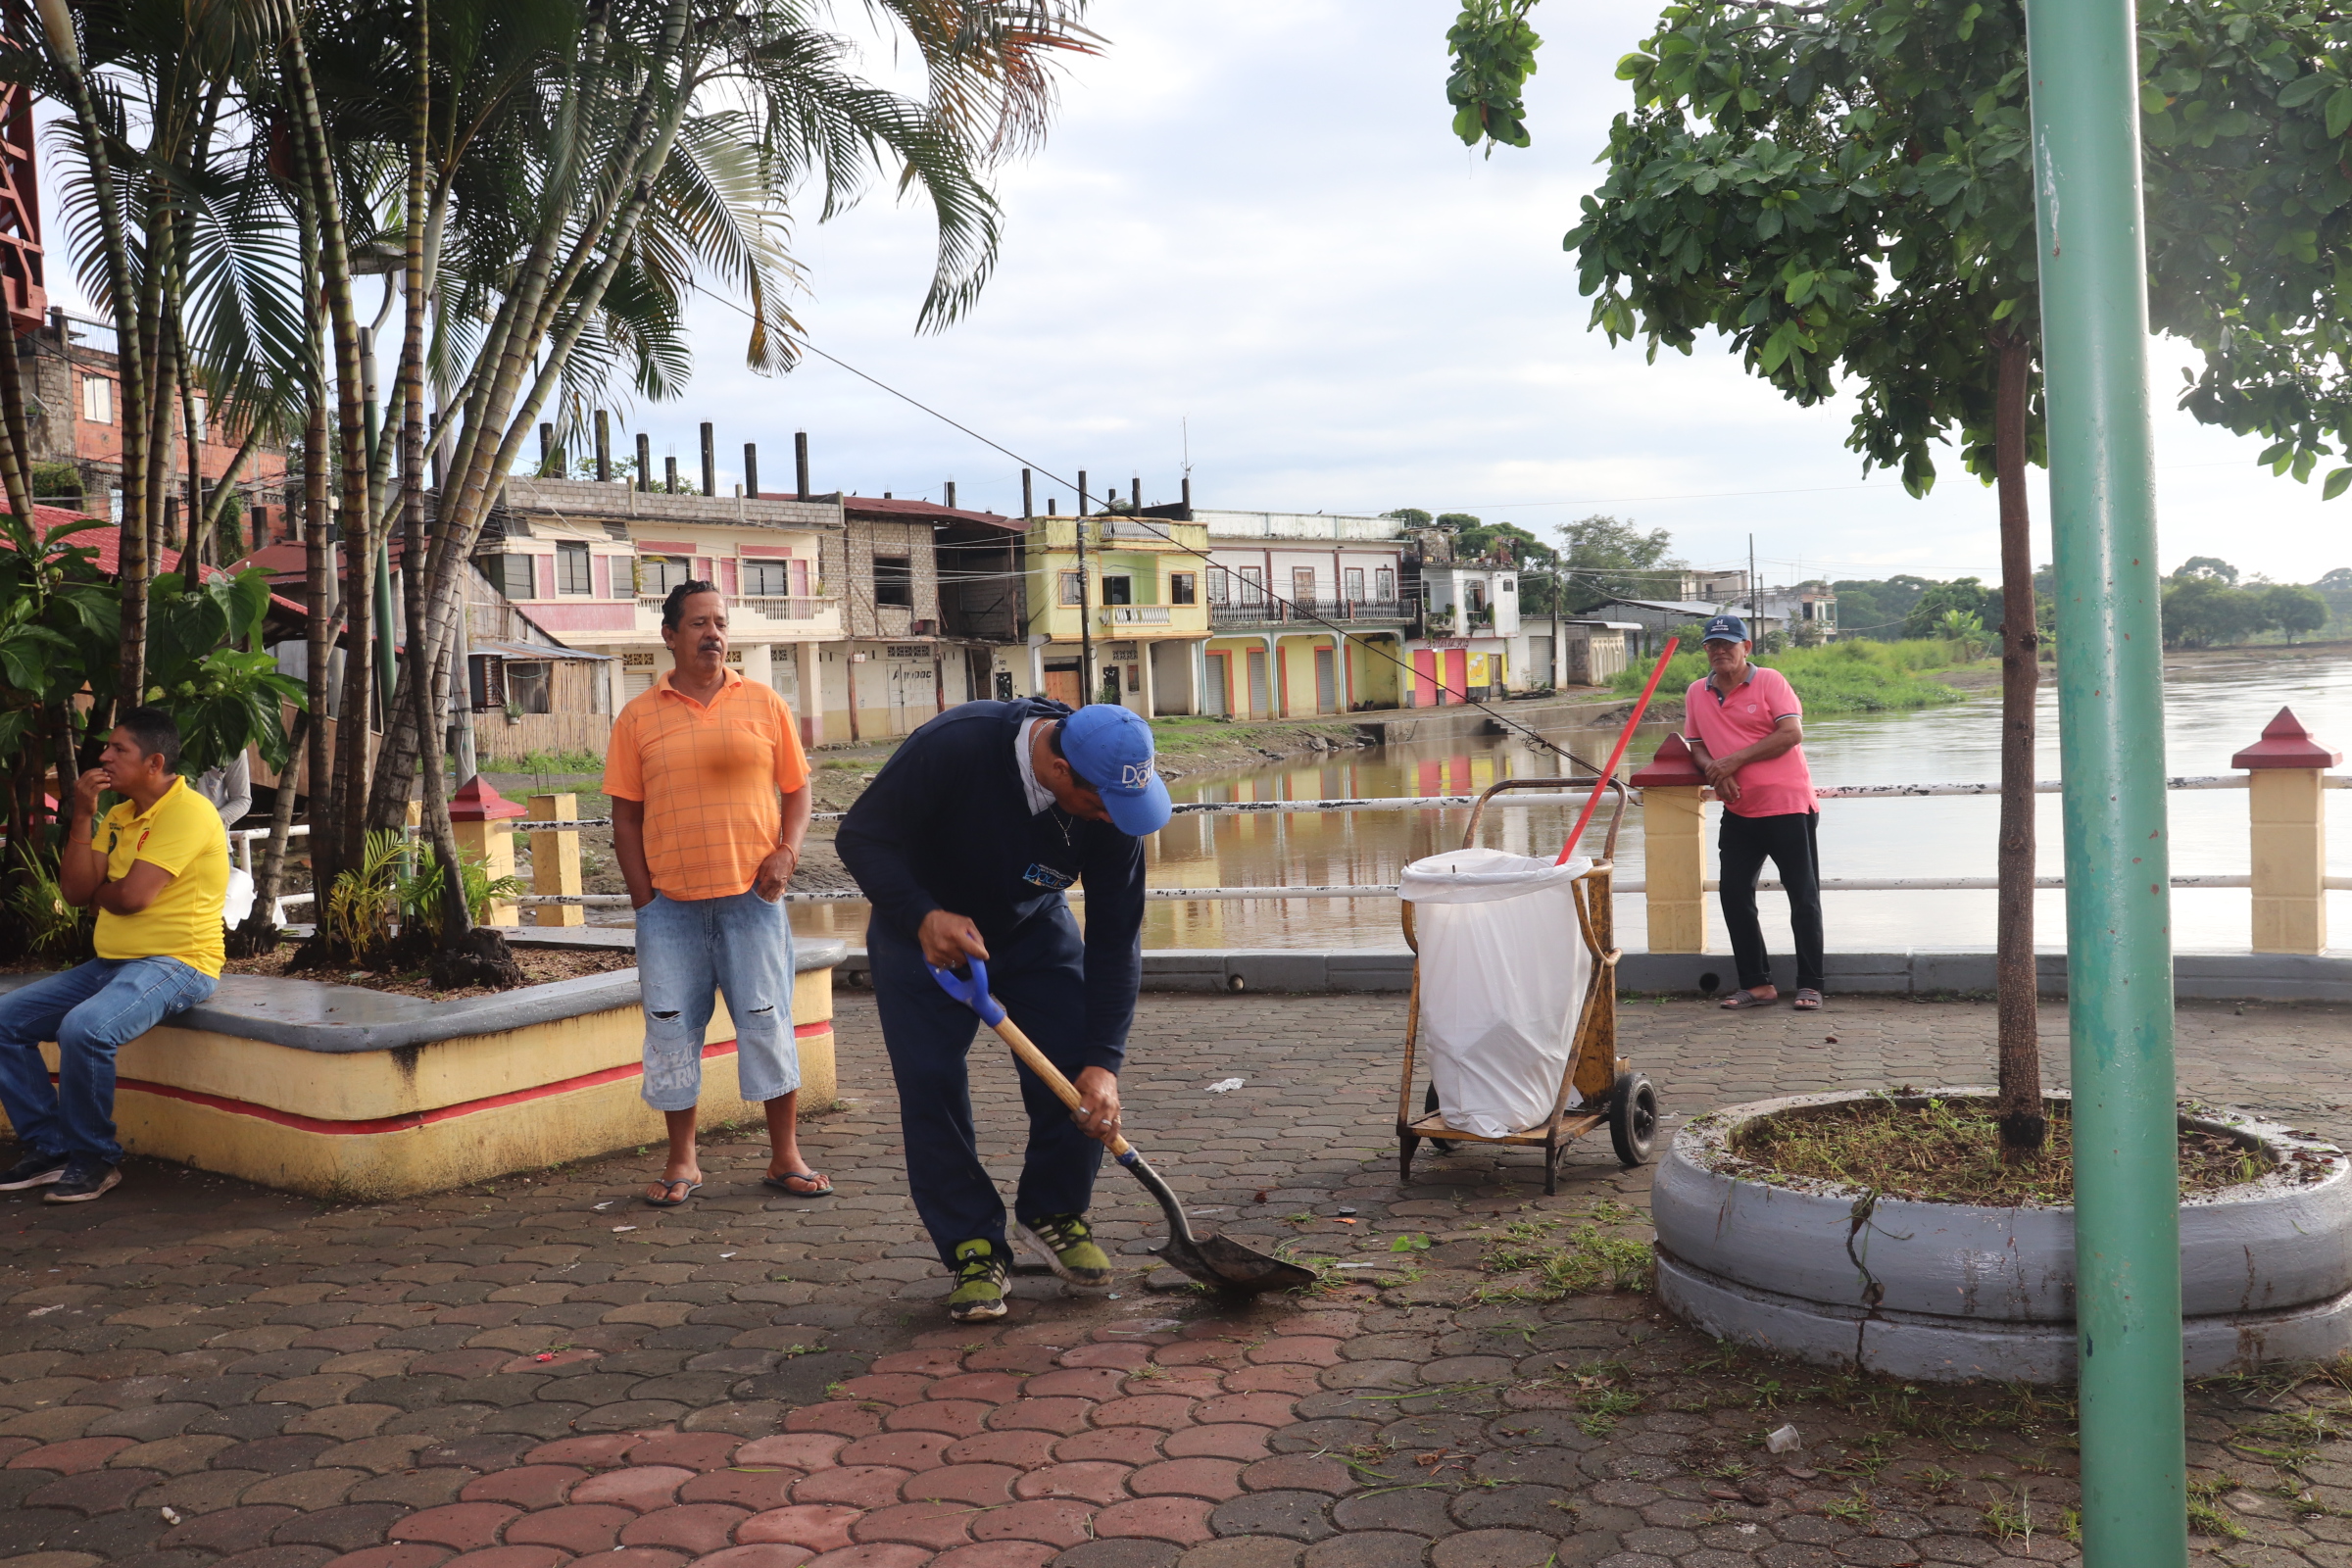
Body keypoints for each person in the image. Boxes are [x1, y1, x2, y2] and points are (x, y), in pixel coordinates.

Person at [837, 697, 1170, 1324]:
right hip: (923, 933)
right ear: (1060, 770)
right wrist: (922, 915)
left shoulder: (1110, 810)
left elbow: (1115, 938)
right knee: (930, 1082)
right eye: (1102, 804)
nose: (1112, 819)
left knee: (1075, 1063)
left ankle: (1054, 1211)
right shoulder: (955, 745)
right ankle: (972, 1245)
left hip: (1031, 926)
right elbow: (861, 836)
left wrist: (1104, 1061)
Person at [604, 581, 825, 1207]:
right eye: (699, 623)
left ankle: (785, 1156)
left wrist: (787, 853)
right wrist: (645, 901)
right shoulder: (638, 717)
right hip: (669, 910)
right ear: (670, 635)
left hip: (753, 901)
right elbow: (624, 817)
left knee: (767, 1021)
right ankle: (683, 1161)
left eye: (720, 623)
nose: (713, 634)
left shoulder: (763, 702)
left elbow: (797, 791)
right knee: (671, 1030)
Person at [0, 708, 229, 1202]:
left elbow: (131, 898)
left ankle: (94, 1160)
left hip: (178, 962)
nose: (104, 756)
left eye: (118, 749)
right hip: (112, 964)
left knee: (85, 1028)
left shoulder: (189, 812)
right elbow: (76, 890)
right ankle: (52, 1147)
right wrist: (83, 815)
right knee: (5, 1020)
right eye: (106, 747)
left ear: (154, 762)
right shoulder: (119, 815)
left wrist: (103, 893)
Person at [1683, 614, 1825, 1011]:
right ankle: (1757, 984)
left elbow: (1791, 733)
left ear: (1746, 647)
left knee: (1803, 897)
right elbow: (1695, 745)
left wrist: (1732, 762)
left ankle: (1811, 984)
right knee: (1733, 895)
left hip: (1788, 807)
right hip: (1739, 811)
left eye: (1728, 644)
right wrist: (1716, 771)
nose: (1720, 651)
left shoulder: (1770, 681)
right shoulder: (1696, 692)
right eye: (1712, 645)